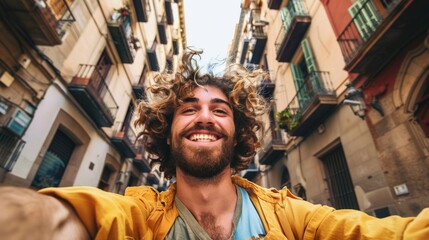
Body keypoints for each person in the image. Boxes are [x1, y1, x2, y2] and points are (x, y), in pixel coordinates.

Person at [1, 50, 429, 240]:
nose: (204, 116)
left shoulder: (288, 215)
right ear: (166, 131)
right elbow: (73, 220)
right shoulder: (139, 215)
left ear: (239, 132)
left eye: (220, 110)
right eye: (188, 108)